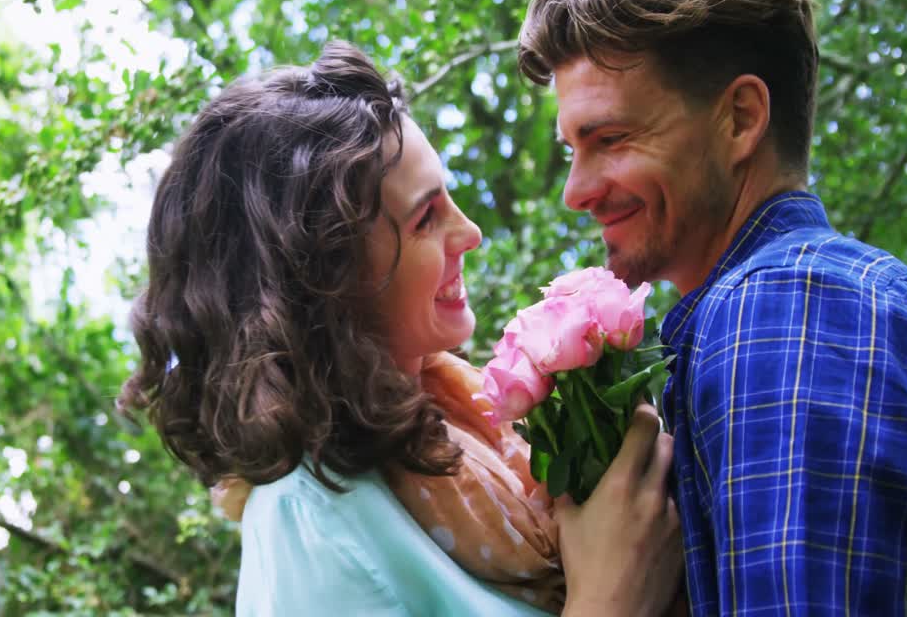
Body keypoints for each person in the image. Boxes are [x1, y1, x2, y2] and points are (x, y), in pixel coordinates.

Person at [120, 42, 683, 617]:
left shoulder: (468, 429)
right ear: (325, 278)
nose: (470, 233)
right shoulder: (307, 519)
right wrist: (610, 599)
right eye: (425, 218)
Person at [518, 0, 907, 616]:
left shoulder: (783, 309)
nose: (576, 191)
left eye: (611, 138)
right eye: (572, 148)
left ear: (740, 119)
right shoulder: (816, 304)